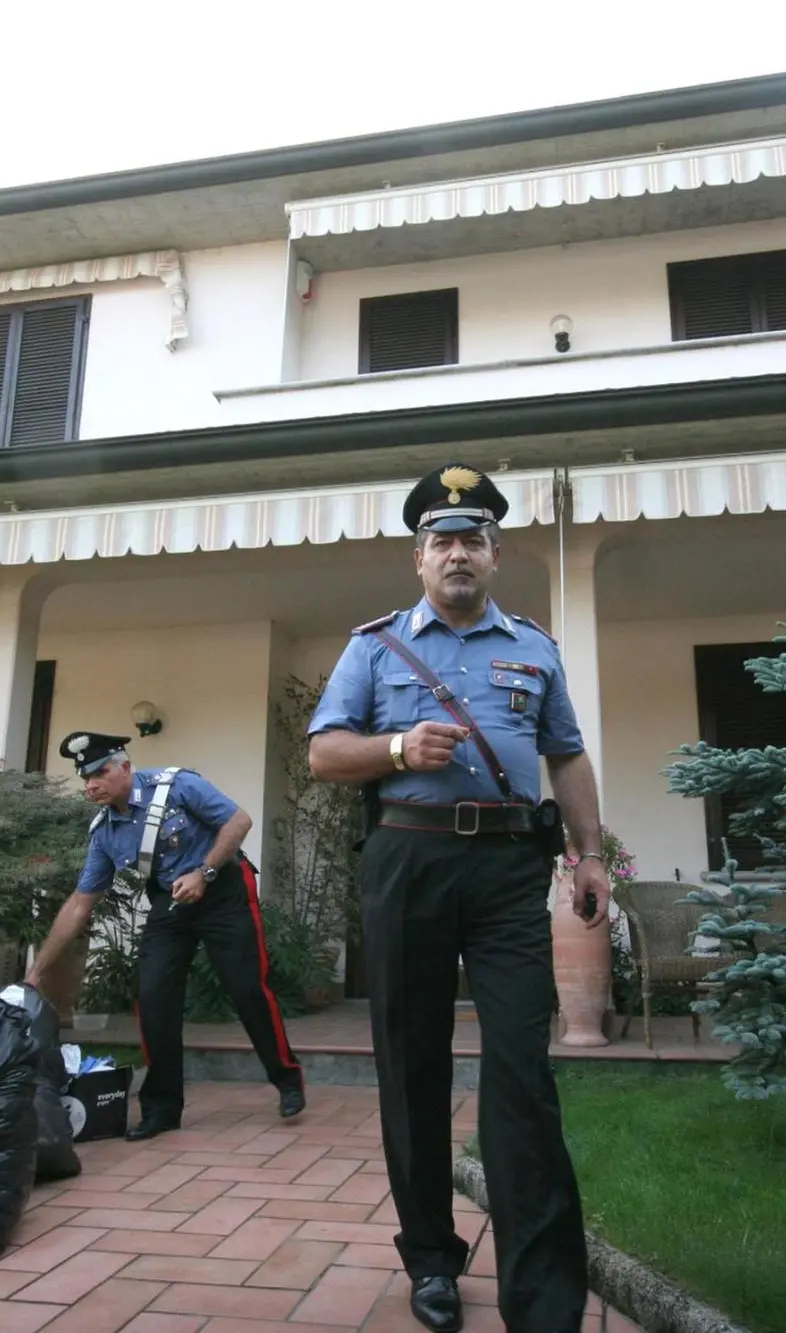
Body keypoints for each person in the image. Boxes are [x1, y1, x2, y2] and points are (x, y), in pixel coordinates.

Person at [307, 464, 609, 1333]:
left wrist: (591, 856)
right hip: (408, 861)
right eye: (441, 540)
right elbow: (326, 754)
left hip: (512, 868)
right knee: (412, 1066)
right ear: (419, 559)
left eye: (472, 538)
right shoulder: (373, 646)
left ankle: (542, 1298)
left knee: (521, 1067)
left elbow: (568, 757)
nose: (457, 553)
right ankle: (431, 1260)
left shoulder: (535, 646)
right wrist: (399, 746)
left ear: (495, 553)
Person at [27, 730, 305, 1139]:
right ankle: (161, 1109)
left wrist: (204, 873)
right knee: (154, 997)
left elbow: (238, 820)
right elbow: (79, 904)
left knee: (246, 987)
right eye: (85, 778)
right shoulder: (105, 832)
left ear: (125, 767)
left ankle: (286, 1079)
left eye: (100, 773)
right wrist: (37, 972)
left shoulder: (177, 785)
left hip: (222, 887)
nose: (91, 785)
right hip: (170, 900)